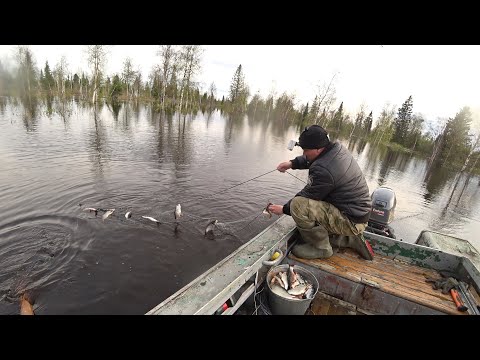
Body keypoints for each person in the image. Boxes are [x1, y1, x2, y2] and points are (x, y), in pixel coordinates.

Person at [267, 125, 374, 260]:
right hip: (358, 216)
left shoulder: (324, 170)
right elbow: (314, 158)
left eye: (306, 150)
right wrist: (291, 163)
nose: (304, 153)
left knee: (298, 205)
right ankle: (348, 239)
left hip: (350, 221)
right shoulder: (336, 149)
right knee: (312, 205)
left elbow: (306, 196)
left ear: (318, 148)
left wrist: (283, 209)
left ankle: (321, 248)